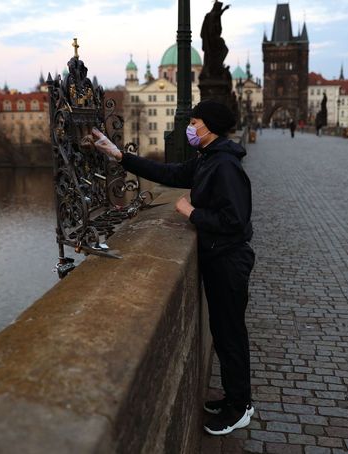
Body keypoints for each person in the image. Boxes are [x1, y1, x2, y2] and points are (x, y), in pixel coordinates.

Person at [90, 100, 255, 436]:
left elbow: (236, 221)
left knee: (231, 336)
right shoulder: (209, 158)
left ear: (207, 126)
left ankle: (240, 408)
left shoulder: (224, 165)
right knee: (225, 335)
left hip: (228, 260)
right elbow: (172, 173)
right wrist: (121, 156)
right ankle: (234, 398)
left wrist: (190, 212)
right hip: (218, 257)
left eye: (193, 121)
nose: (189, 127)